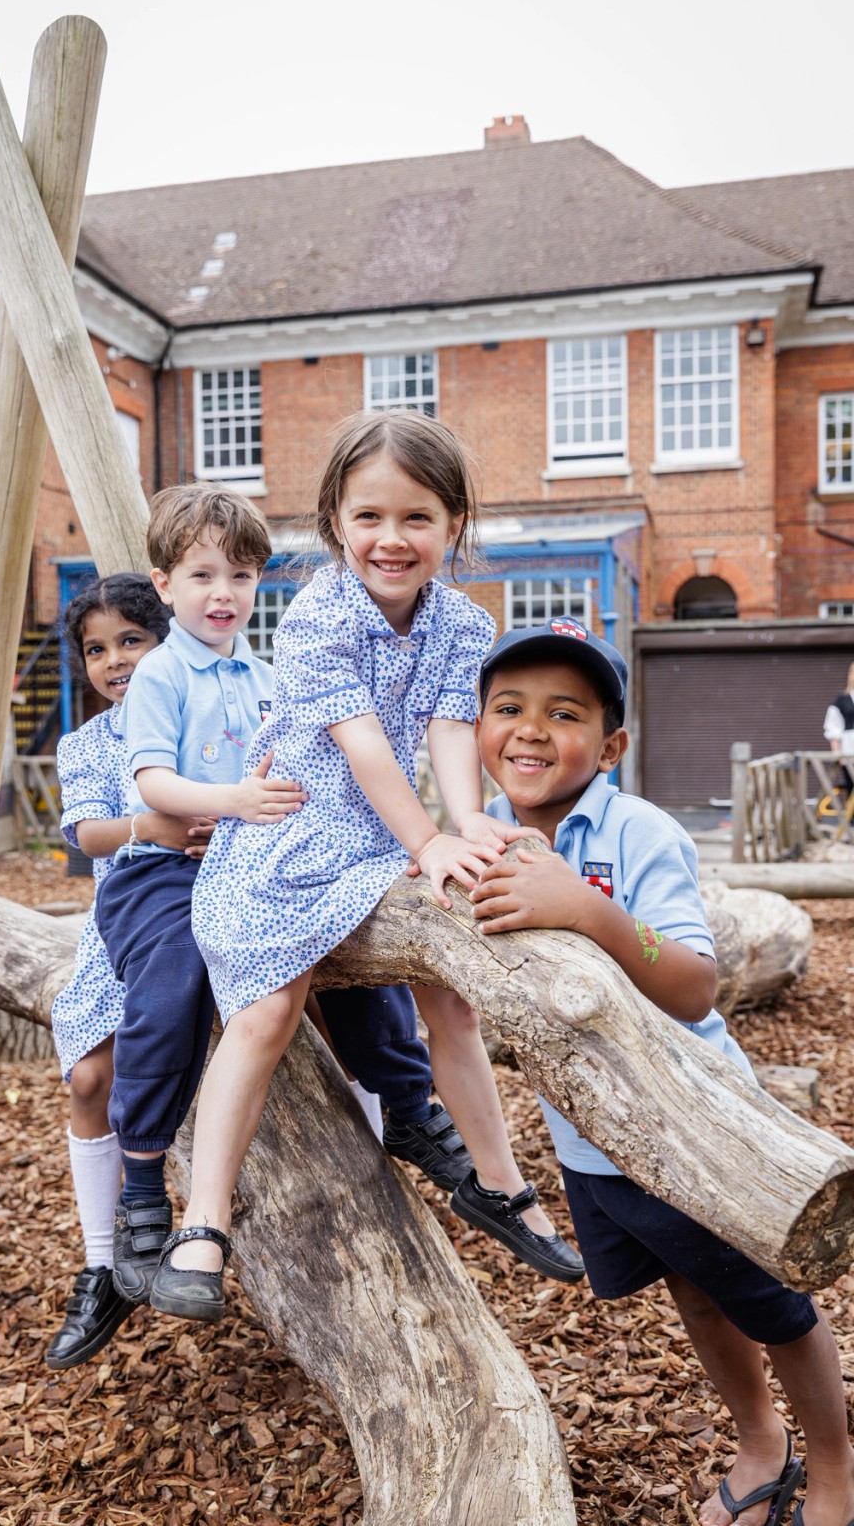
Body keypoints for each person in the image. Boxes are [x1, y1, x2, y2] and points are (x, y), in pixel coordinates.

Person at [152, 409, 584, 1324]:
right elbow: (362, 749)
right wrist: (429, 842)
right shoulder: (317, 615)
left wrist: (469, 825)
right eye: (370, 517)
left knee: (454, 995)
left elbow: (449, 729)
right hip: (297, 838)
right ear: (335, 522)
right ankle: (204, 1218)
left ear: (454, 525)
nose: (393, 539)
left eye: (418, 517)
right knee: (269, 1009)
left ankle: (497, 1184)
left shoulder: (462, 621)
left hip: (381, 842)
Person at [468, 615, 854, 1526]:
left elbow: (693, 984)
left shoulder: (636, 832)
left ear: (612, 744)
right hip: (593, 1137)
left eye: (565, 713)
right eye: (507, 707)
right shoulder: (476, 834)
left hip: (694, 1122)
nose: (530, 728)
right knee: (693, 1288)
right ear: (477, 726)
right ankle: (761, 1443)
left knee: (770, 1300)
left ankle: (836, 1464)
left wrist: (591, 912)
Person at [95, 480, 474, 1309]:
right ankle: (142, 1177)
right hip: (167, 866)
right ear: (164, 587)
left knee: (348, 944)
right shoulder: (159, 674)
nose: (222, 593)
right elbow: (151, 778)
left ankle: (408, 1103)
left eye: (239, 575)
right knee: (175, 979)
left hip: (256, 859)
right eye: (201, 577)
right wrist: (229, 800)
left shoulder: (269, 672)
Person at [46, 572, 211, 1370]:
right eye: (97, 649)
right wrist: (151, 823)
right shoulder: (86, 742)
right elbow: (84, 832)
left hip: (208, 899)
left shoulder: (199, 705)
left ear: (166, 638)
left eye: (130, 641)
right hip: (123, 908)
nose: (114, 660)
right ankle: (103, 1261)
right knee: (85, 1078)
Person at [823, 662, 854, 803]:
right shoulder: (842, 700)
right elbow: (833, 725)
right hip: (850, 749)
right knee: (851, 785)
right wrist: (837, 753)